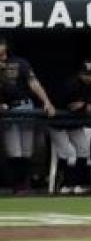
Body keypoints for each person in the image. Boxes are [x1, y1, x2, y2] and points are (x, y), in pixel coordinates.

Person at [0, 37, 56, 193]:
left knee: (26, 150)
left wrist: (47, 101)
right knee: (14, 150)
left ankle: (24, 185)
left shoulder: (19, 62)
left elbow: (33, 83)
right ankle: (17, 186)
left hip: (24, 106)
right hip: (7, 111)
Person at [49, 60, 91, 194]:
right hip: (58, 124)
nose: (89, 78)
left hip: (75, 125)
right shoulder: (70, 85)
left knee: (84, 150)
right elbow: (71, 106)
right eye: (86, 74)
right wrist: (84, 106)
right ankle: (64, 185)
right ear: (80, 74)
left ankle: (78, 184)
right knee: (68, 153)